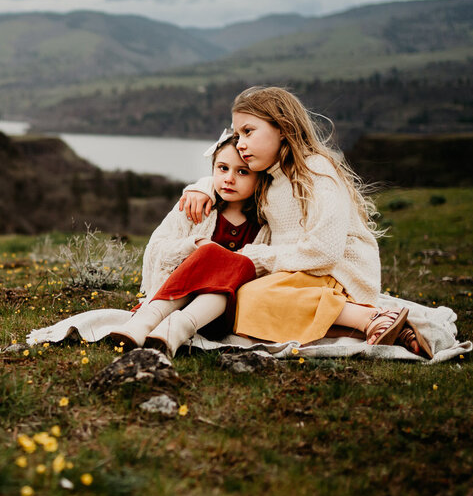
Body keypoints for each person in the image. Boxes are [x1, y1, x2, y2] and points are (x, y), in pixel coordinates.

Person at [179, 86, 431, 357]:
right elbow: (230, 178)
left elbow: (325, 252)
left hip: (339, 274)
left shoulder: (316, 171)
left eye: (248, 131)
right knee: (238, 301)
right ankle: (382, 325)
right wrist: (202, 187)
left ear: (283, 128)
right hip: (300, 276)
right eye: (237, 134)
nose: (239, 143)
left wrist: (259, 256)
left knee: (251, 298)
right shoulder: (269, 178)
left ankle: (367, 319)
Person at [108, 132, 267, 356]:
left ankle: (176, 329)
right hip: (173, 302)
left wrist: (224, 258)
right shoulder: (196, 206)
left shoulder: (264, 224)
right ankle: (145, 322)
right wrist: (196, 244)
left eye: (242, 172)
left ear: (260, 177)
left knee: (237, 265)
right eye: (222, 168)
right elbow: (155, 251)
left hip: (221, 315)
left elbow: (269, 270)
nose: (229, 178)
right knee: (211, 252)